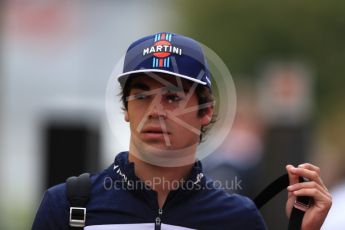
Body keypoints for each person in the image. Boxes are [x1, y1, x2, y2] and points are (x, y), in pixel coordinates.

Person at [32, 32, 331, 229]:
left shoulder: (238, 218)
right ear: (125, 110)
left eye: (173, 97)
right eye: (141, 95)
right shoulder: (66, 205)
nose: (154, 111)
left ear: (206, 111)